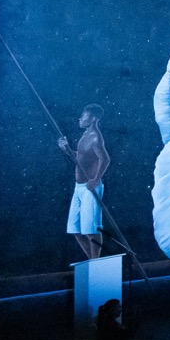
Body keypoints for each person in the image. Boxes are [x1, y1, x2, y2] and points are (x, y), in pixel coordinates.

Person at [58, 103, 110, 260]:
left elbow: (105, 159)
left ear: (93, 118)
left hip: (90, 188)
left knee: (91, 230)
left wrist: (96, 179)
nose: (80, 118)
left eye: (84, 116)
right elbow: (81, 157)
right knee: (75, 229)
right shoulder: (85, 135)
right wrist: (67, 149)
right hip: (79, 187)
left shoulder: (95, 137)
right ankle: (92, 260)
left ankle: (96, 262)